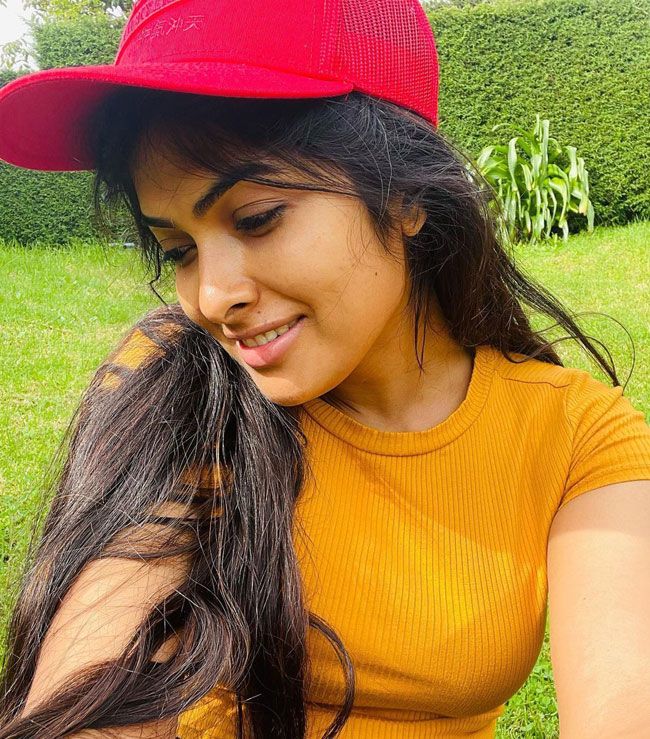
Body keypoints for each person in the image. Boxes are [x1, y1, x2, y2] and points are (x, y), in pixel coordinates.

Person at [0, 0, 649, 737]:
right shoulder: (184, 385)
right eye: (178, 249)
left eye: (257, 218)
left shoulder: (575, 435)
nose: (211, 297)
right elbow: (93, 679)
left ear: (405, 197)